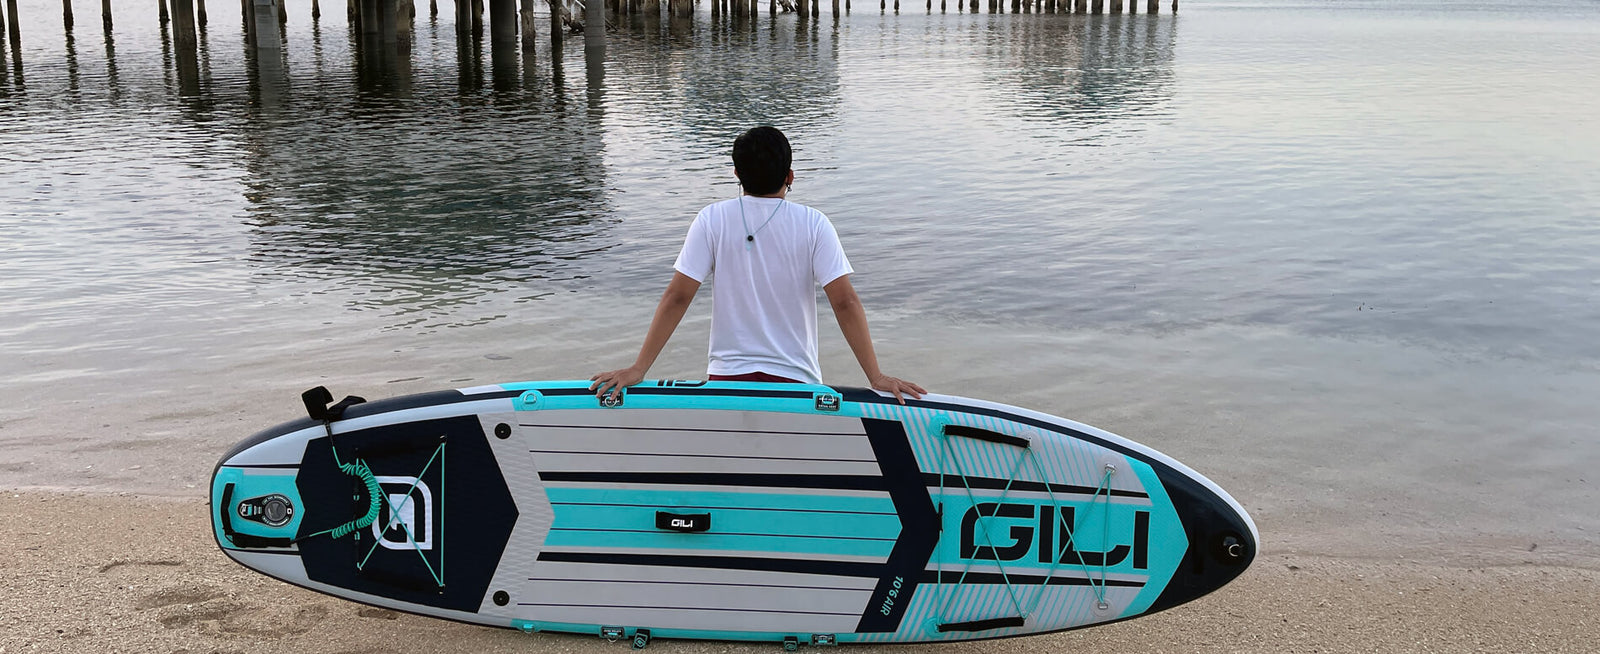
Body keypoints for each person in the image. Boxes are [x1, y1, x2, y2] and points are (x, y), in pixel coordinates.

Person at [590, 126, 925, 403]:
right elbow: (844, 301)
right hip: (796, 384)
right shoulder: (814, 223)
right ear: (791, 175)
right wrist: (875, 376)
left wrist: (639, 368)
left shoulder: (712, 219)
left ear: (737, 173)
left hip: (727, 382)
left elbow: (677, 296)